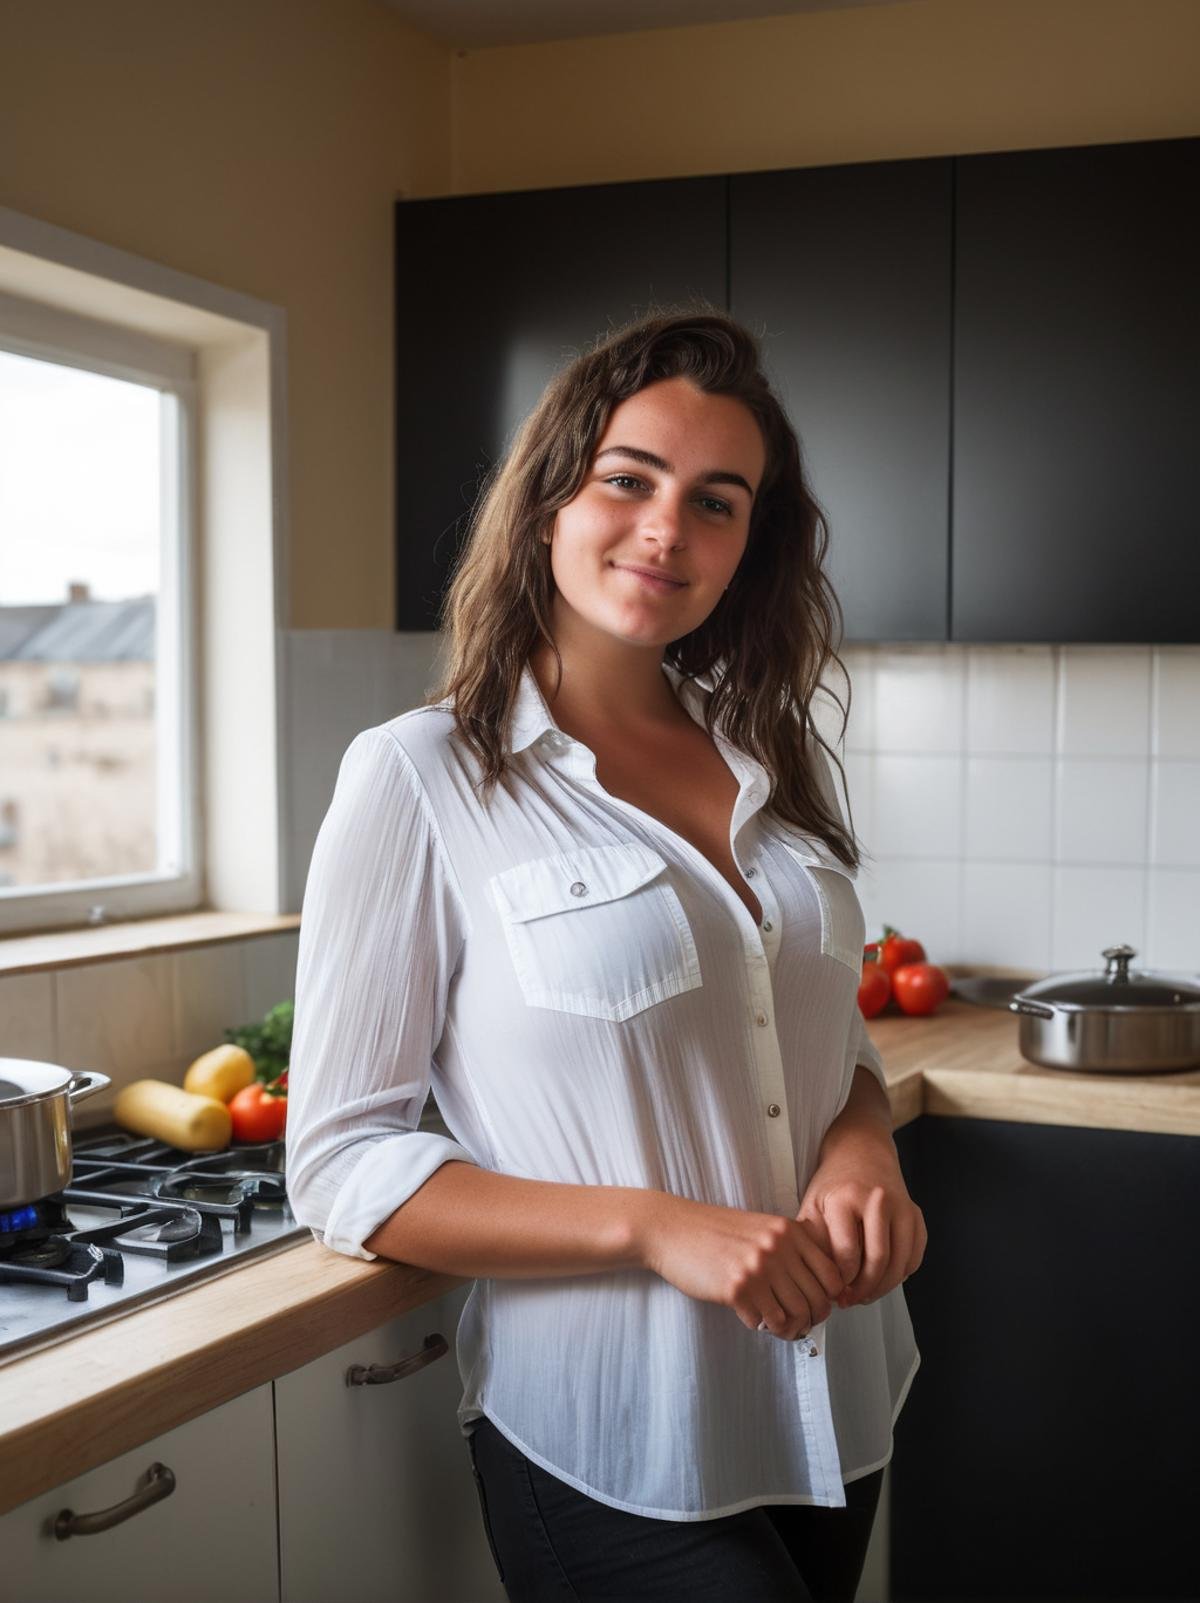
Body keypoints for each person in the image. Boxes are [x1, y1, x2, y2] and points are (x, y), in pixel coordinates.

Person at [285, 305, 926, 1602]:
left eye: (717, 501)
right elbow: (343, 1164)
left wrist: (862, 1149)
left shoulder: (766, 754)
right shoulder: (420, 779)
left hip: (838, 1405)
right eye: (628, 479)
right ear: (545, 503)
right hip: (618, 1443)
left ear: (754, 545)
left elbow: (820, 1042)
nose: (666, 530)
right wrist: (654, 1228)